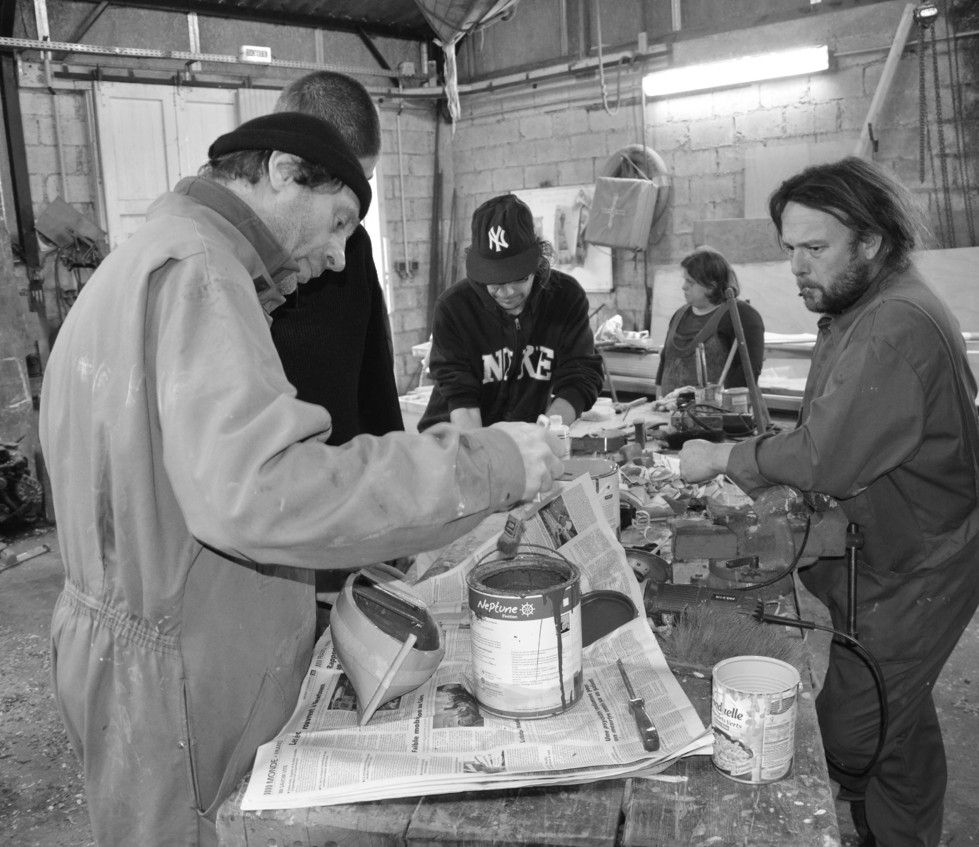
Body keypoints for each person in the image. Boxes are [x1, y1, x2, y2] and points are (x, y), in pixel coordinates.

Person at [39, 112, 562, 847]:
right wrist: (489, 463)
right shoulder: (201, 272)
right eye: (340, 221)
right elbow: (264, 491)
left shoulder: (142, 261)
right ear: (284, 173)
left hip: (128, 650)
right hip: (173, 679)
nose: (342, 256)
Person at [679, 157, 979, 847]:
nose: (796, 266)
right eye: (789, 248)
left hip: (917, 570)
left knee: (853, 733)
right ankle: (902, 831)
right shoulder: (866, 307)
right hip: (896, 550)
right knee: (899, 716)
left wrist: (724, 458)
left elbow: (826, 455)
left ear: (871, 241)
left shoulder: (892, 325)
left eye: (815, 248)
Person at [269, 71, 402, 445]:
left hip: (351, 467)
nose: (353, 205)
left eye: (364, 185)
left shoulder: (354, 247)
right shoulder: (229, 264)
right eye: (342, 186)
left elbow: (376, 379)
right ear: (288, 171)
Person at [417, 193, 604, 431]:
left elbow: (580, 376)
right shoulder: (454, 308)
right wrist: (485, 449)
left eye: (518, 279)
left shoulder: (565, 298)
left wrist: (546, 431)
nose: (507, 292)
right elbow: (461, 395)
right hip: (457, 438)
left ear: (537, 262)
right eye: (494, 282)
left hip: (524, 436)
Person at [654, 246, 765, 398]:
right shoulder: (680, 315)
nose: (683, 287)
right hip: (670, 409)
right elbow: (664, 363)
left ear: (711, 286)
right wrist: (659, 402)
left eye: (690, 282)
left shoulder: (741, 316)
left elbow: (747, 375)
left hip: (719, 411)